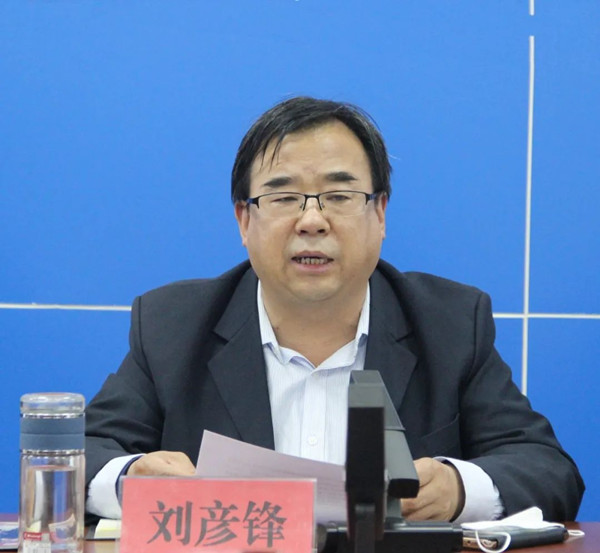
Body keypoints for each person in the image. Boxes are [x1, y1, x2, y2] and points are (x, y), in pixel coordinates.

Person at [85, 96, 584, 523]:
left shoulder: (450, 324)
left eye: (339, 195)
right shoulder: (173, 325)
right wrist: (131, 479)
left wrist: (457, 489)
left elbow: (547, 469)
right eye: (284, 197)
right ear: (244, 220)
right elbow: (80, 455)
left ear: (380, 214)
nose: (312, 221)